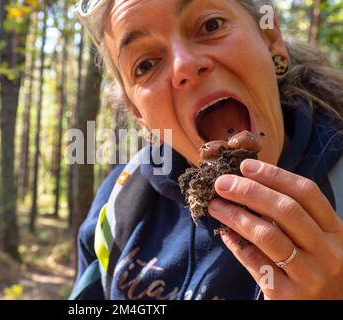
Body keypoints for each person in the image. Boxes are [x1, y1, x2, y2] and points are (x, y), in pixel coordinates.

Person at [70, 0, 343, 300]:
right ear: (138, 113)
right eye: (145, 65)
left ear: (270, 38)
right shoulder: (117, 205)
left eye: (211, 25)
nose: (184, 65)